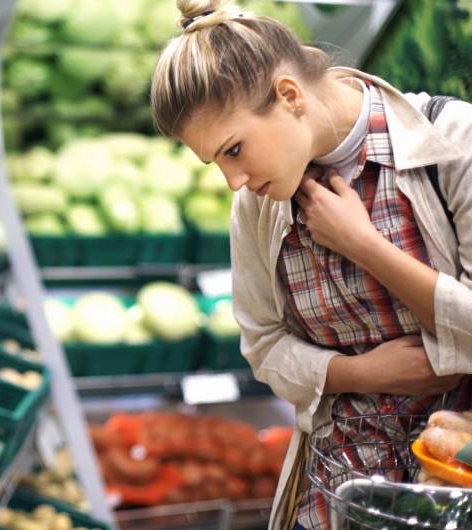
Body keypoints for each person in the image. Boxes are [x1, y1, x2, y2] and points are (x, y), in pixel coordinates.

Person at [150, 1, 472, 529]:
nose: (233, 181)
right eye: (216, 163)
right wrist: (360, 373)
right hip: (326, 501)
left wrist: (364, 246)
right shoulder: (256, 205)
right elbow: (263, 345)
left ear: (289, 96)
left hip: (451, 498)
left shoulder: (453, 144)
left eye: (234, 150)